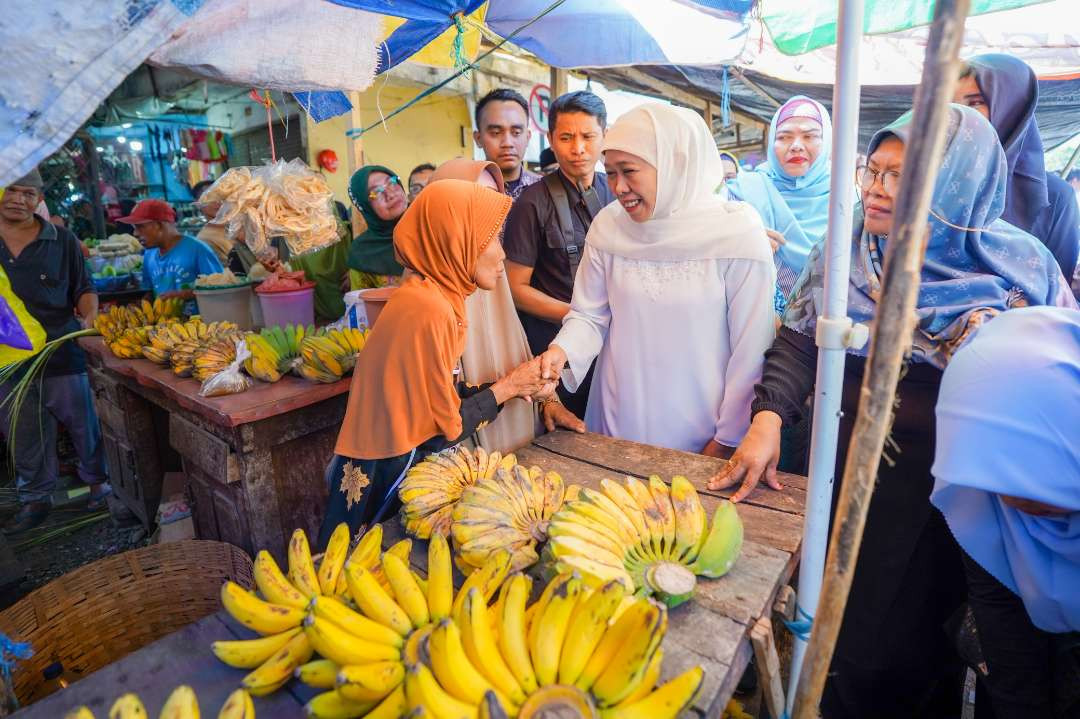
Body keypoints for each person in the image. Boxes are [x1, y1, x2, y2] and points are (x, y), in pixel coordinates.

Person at [709, 105, 1077, 719]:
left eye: (896, 176)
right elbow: (801, 340)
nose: (875, 190)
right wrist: (769, 416)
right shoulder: (846, 251)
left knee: (973, 652)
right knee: (865, 646)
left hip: (992, 499)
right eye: (871, 172)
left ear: (954, 185)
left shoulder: (1025, 267)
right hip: (874, 482)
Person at [317, 180, 549, 546]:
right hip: (386, 483)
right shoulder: (428, 310)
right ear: (455, 240)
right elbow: (442, 430)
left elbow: (438, 398)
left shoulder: (433, 298)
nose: (503, 254)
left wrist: (513, 387)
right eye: (491, 238)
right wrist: (508, 388)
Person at [536, 104, 775, 453]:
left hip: (703, 422)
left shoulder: (737, 234)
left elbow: (752, 348)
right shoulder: (608, 227)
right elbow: (589, 315)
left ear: (674, 163)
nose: (618, 187)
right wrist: (563, 350)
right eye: (611, 173)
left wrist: (729, 436)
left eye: (629, 171)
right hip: (619, 409)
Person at [930, 306, 1080, 719]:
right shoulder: (980, 501)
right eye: (992, 465)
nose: (1011, 497)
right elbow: (1006, 645)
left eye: (1029, 467)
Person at [429, 159, 583, 452]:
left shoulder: (491, 272)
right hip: (462, 460)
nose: (489, 210)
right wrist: (508, 388)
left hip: (520, 441)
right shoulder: (425, 300)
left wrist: (548, 399)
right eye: (477, 200)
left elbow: (515, 349)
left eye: (494, 199)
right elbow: (433, 421)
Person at [0, 169, 110, 534]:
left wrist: (89, 313)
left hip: (61, 349)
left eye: (28, 193)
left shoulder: (60, 239)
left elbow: (84, 287)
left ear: (39, 200)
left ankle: (99, 484)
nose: (19, 199)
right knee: (23, 431)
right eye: (11, 190)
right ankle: (36, 499)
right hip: (7, 360)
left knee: (83, 423)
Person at [503, 91, 614, 418]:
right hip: (557, 348)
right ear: (551, 138)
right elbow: (516, 289)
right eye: (566, 137)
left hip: (614, 347)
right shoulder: (531, 203)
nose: (577, 148)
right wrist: (581, 318)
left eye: (588, 136)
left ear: (605, 135)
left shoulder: (617, 192)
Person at [954, 54, 1080, 289]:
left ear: (1012, 109)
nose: (958, 114)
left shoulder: (1056, 198)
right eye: (952, 104)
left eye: (974, 103)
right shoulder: (931, 184)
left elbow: (1056, 296)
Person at [728, 96, 833, 314]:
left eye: (809, 136)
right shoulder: (740, 193)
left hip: (827, 333)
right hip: (754, 327)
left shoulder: (848, 199)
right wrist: (738, 242)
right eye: (784, 137)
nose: (796, 146)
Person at [120, 199, 223, 311]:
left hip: (200, 325)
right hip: (165, 325)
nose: (135, 234)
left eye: (140, 227)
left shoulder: (198, 249)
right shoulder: (149, 255)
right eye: (134, 228)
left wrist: (184, 295)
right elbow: (150, 291)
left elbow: (219, 288)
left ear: (159, 224)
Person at [473, 89, 541, 200]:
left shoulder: (545, 190)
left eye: (516, 133)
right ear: (478, 139)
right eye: (495, 133)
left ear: (528, 137)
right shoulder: (467, 190)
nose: (507, 143)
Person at [346, 165, 406, 289]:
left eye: (391, 182)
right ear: (365, 207)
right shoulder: (362, 252)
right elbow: (360, 305)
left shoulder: (431, 227)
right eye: (376, 192)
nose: (390, 194)